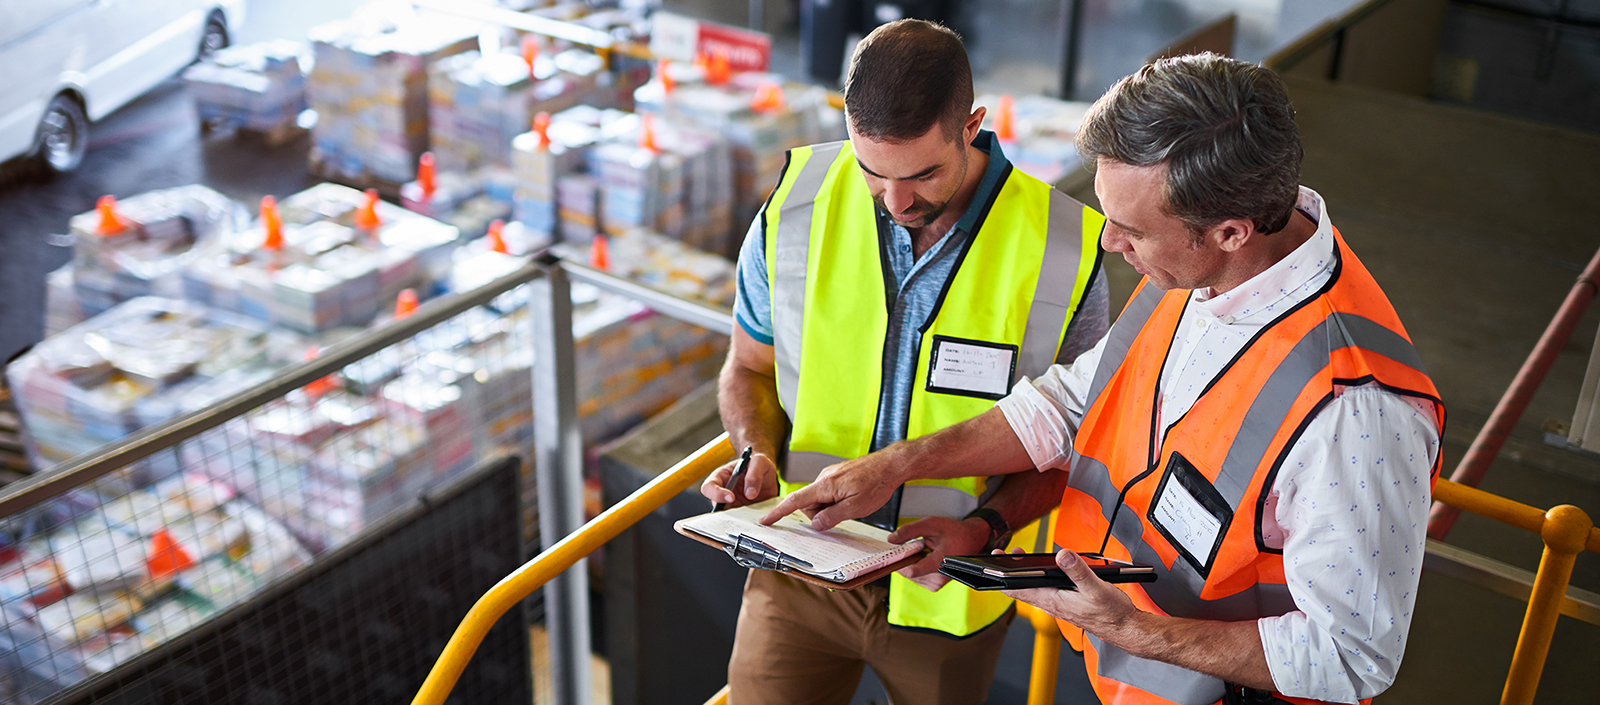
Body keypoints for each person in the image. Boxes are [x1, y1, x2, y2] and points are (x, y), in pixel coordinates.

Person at [766, 53, 1445, 705]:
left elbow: (1353, 653)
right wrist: (897, 466)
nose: (1107, 243)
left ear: (1232, 232)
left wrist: (1130, 628)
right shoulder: (1197, 268)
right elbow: (1068, 404)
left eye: (1130, 229)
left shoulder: (1356, 412)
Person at [699, 19, 1110, 705]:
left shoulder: (1065, 249)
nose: (895, 202)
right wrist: (756, 452)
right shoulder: (795, 206)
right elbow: (748, 368)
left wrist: (985, 528)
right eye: (872, 172)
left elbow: (1078, 445)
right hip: (797, 564)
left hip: (948, 595)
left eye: (923, 174)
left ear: (971, 125)